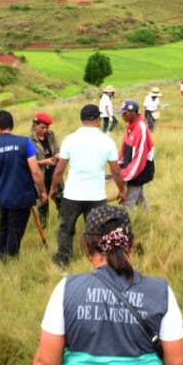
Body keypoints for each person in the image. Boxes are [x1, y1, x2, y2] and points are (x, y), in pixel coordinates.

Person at [29, 206, 183, 365]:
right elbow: (179, 363)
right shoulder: (161, 292)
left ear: (87, 249)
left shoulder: (65, 291)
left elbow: (46, 363)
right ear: (130, 245)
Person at [49, 104, 126, 268]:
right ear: (98, 120)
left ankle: (63, 261)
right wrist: (122, 191)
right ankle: (97, 261)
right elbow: (116, 172)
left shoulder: (70, 139)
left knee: (66, 228)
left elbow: (59, 169)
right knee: (96, 231)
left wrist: (53, 188)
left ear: (82, 120)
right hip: (96, 196)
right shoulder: (107, 141)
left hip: (72, 194)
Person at [0, 111, 47, 258]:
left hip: (1, 194)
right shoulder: (25, 143)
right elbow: (36, 171)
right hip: (22, 196)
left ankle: (1, 256)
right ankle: (11, 260)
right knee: (15, 231)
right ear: (13, 126)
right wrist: (42, 192)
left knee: (3, 227)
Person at [118, 99, 155, 210]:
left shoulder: (141, 128)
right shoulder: (129, 125)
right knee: (140, 197)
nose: (122, 116)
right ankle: (146, 218)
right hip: (131, 167)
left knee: (128, 203)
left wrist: (125, 175)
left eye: (125, 113)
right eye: (122, 113)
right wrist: (119, 165)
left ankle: (128, 225)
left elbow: (140, 158)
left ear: (133, 112)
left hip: (141, 169)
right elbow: (124, 147)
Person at [30, 112, 62, 226]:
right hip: (41, 174)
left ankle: (62, 222)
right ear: (35, 124)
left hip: (54, 172)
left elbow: (58, 149)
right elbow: (30, 162)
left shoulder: (51, 135)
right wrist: (44, 162)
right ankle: (44, 226)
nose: (45, 130)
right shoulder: (30, 141)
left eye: (47, 127)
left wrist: (58, 155)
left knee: (60, 198)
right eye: (42, 127)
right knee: (43, 201)